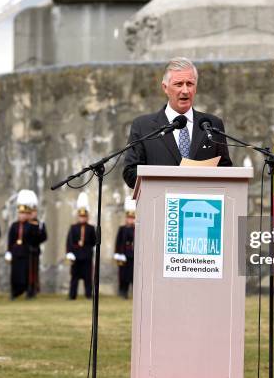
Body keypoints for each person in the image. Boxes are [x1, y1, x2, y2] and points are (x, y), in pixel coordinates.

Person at [122, 57, 232, 189]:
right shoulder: (143, 126)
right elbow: (130, 173)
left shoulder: (211, 124)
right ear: (165, 88)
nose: (185, 91)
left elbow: (226, 170)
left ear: (195, 88)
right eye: (179, 84)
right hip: (159, 204)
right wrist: (166, 181)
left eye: (189, 84)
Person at [6, 190, 41, 300]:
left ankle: (28, 291)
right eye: (20, 213)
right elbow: (10, 239)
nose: (22, 215)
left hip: (26, 252)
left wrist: (35, 225)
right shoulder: (14, 225)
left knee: (26, 274)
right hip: (16, 252)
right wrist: (9, 251)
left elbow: (35, 238)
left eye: (24, 213)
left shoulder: (31, 225)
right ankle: (15, 292)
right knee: (15, 274)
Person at [65, 192, 96, 300]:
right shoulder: (73, 227)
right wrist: (69, 253)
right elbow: (69, 241)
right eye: (81, 216)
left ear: (87, 217)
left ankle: (88, 295)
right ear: (78, 216)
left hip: (87, 255)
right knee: (74, 277)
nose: (82, 218)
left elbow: (93, 241)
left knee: (88, 277)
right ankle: (72, 295)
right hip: (76, 255)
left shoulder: (91, 228)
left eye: (84, 216)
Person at [113, 197, 136, 299]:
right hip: (124, 255)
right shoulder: (122, 229)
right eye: (129, 218)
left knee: (133, 275)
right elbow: (118, 242)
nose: (130, 220)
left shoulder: (137, 229)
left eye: (132, 218)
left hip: (133, 254)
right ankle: (123, 292)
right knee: (123, 275)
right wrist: (117, 254)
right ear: (126, 218)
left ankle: (134, 293)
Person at [27, 190, 47, 299]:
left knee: (35, 271)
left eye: (34, 212)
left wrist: (40, 234)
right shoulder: (27, 224)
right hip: (27, 249)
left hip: (35, 249)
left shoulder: (40, 224)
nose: (33, 214)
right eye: (31, 212)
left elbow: (44, 237)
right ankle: (28, 289)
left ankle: (34, 289)